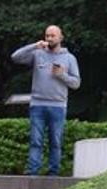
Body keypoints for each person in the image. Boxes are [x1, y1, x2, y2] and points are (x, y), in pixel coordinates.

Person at [11, 25, 81, 176]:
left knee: (55, 142)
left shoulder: (69, 58)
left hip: (58, 105)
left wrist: (62, 75)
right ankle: (33, 172)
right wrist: (34, 46)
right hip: (37, 104)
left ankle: (53, 173)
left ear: (61, 38)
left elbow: (76, 83)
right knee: (36, 140)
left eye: (53, 36)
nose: (49, 39)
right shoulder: (38, 53)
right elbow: (15, 57)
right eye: (47, 35)